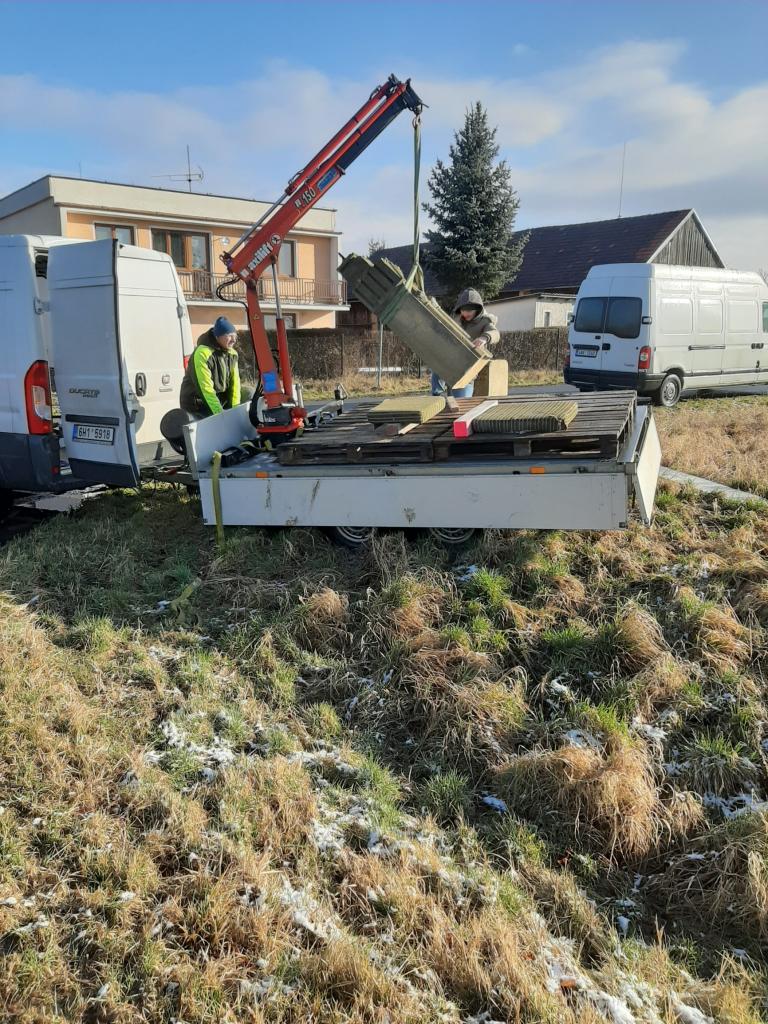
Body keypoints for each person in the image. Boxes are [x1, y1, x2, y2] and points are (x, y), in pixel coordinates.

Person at [431, 288, 500, 398]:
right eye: (463, 310)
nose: (466, 313)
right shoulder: (456, 320)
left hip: (468, 369)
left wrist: (484, 338)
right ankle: (436, 395)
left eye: (470, 311)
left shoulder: (485, 321)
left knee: (462, 401)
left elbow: (495, 333)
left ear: (477, 309)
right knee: (437, 368)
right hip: (452, 362)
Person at [180, 316, 241, 417]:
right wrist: (220, 414)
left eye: (235, 336)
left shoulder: (232, 354)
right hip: (197, 404)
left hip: (217, 401)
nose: (233, 340)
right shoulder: (202, 353)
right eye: (229, 336)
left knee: (248, 393)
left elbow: (235, 385)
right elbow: (205, 388)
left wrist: (235, 411)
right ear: (217, 336)